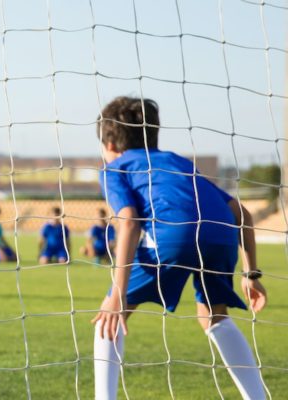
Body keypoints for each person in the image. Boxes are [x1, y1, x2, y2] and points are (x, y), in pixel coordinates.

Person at [91, 96, 267, 400]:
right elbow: (242, 213)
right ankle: (258, 397)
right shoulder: (178, 162)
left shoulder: (115, 168)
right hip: (221, 235)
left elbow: (129, 220)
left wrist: (117, 293)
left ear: (108, 143)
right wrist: (250, 274)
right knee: (214, 316)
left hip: (175, 235)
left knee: (110, 316)